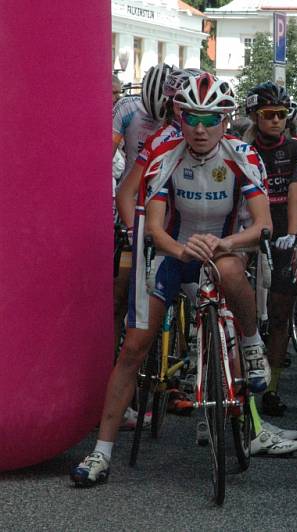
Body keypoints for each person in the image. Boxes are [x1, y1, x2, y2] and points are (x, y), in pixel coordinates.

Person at [71, 73, 275, 487]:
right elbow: (157, 225)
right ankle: (101, 452)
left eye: (211, 119)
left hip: (222, 250)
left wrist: (224, 243)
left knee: (234, 267)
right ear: (179, 118)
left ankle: (251, 344)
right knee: (134, 347)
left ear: (225, 120)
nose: (200, 129)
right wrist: (183, 250)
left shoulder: (243, 156)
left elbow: (262, 225)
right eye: (191, 118)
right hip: (172, 252)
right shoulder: (166, 153)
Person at [242, 82, 297, 419]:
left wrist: (294, 235)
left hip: (284, 227)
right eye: (268, 115)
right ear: (254, 116)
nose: (276, 121)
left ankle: (272, 387)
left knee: (281, 314)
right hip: (250, 226)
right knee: (246, 313)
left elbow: (296, 190)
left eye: (282, 115)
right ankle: (244, 379)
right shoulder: (241, 148)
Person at [111, 63, 173, 367]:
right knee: (120, 292)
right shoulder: (127, 108)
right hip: (131, 204)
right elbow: (105, 156)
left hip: (165, 206)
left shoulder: (177, 120)